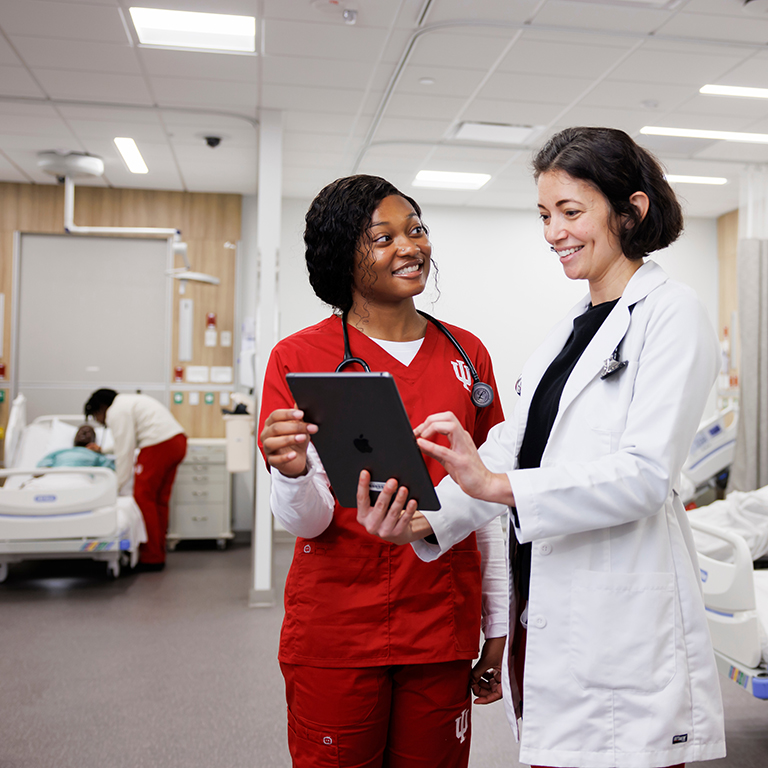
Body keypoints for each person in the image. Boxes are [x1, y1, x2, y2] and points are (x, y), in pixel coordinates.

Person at [358, 128, 727, 768]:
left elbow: (643, 476)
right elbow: (511, 447)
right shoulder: (571, 328)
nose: (553, 231)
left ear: (631, 210)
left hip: (621, 627)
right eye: (544, 215)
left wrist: (498, 486)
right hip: (550, 610)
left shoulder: (673, 314)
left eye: (571, 212)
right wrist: (424, 519)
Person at [258, 174, 508, 767]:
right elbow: (308, 521)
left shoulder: (467, 355)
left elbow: (491, 502)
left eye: (416, 229)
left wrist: (497, 625)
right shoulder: (298, 358)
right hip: (338, 630)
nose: (410, 245)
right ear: (343, 255)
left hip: (441, 623)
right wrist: (292, 474)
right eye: (383, 237)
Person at [84, 389, 186, 570]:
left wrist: (114, 488)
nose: (99, 422)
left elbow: (125, 454)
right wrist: (104, 450)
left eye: (95, 416)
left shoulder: (116, 411)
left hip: (158, 445)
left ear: (101, 408)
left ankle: (151, 558)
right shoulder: (128, 402)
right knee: (159, 501)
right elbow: (124, 444)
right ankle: (158, 553)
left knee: (143, 498)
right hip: (176, 442)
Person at [36, 424, 115, 471]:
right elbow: (42, 468)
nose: (84, 433)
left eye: (89, 432)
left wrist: (101, 451)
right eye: (81, 431)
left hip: (83, 480)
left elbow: (110, 471)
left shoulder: (97, 456)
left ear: (94, 440)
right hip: (58, 476)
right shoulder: (60, 452)